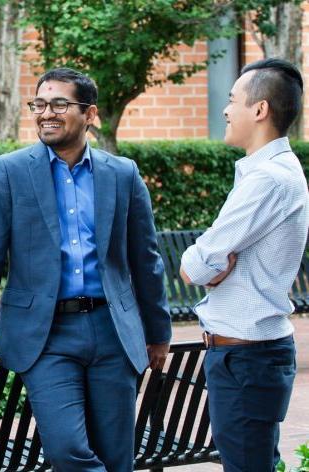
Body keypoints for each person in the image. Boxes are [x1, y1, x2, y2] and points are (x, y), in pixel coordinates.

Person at [0, 67, 171, 471]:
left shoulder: (122, 174)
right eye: (39, 104)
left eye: (59, 104)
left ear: (89, 114)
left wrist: (158, 333)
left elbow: (146, 259)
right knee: (67, 449)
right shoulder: (10, 171)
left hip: (112, 332)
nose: (45, 113)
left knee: (116, 454)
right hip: (46, 335)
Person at [180, 58, 308, 471]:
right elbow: (213, 259)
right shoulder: (266, 173)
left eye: (233, 99)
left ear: (260, 110)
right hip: (247, 357)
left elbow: (196, 267)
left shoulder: (268, 179)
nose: (225, 109)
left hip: (247, 359)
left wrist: (208, 262)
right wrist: (215, 259)